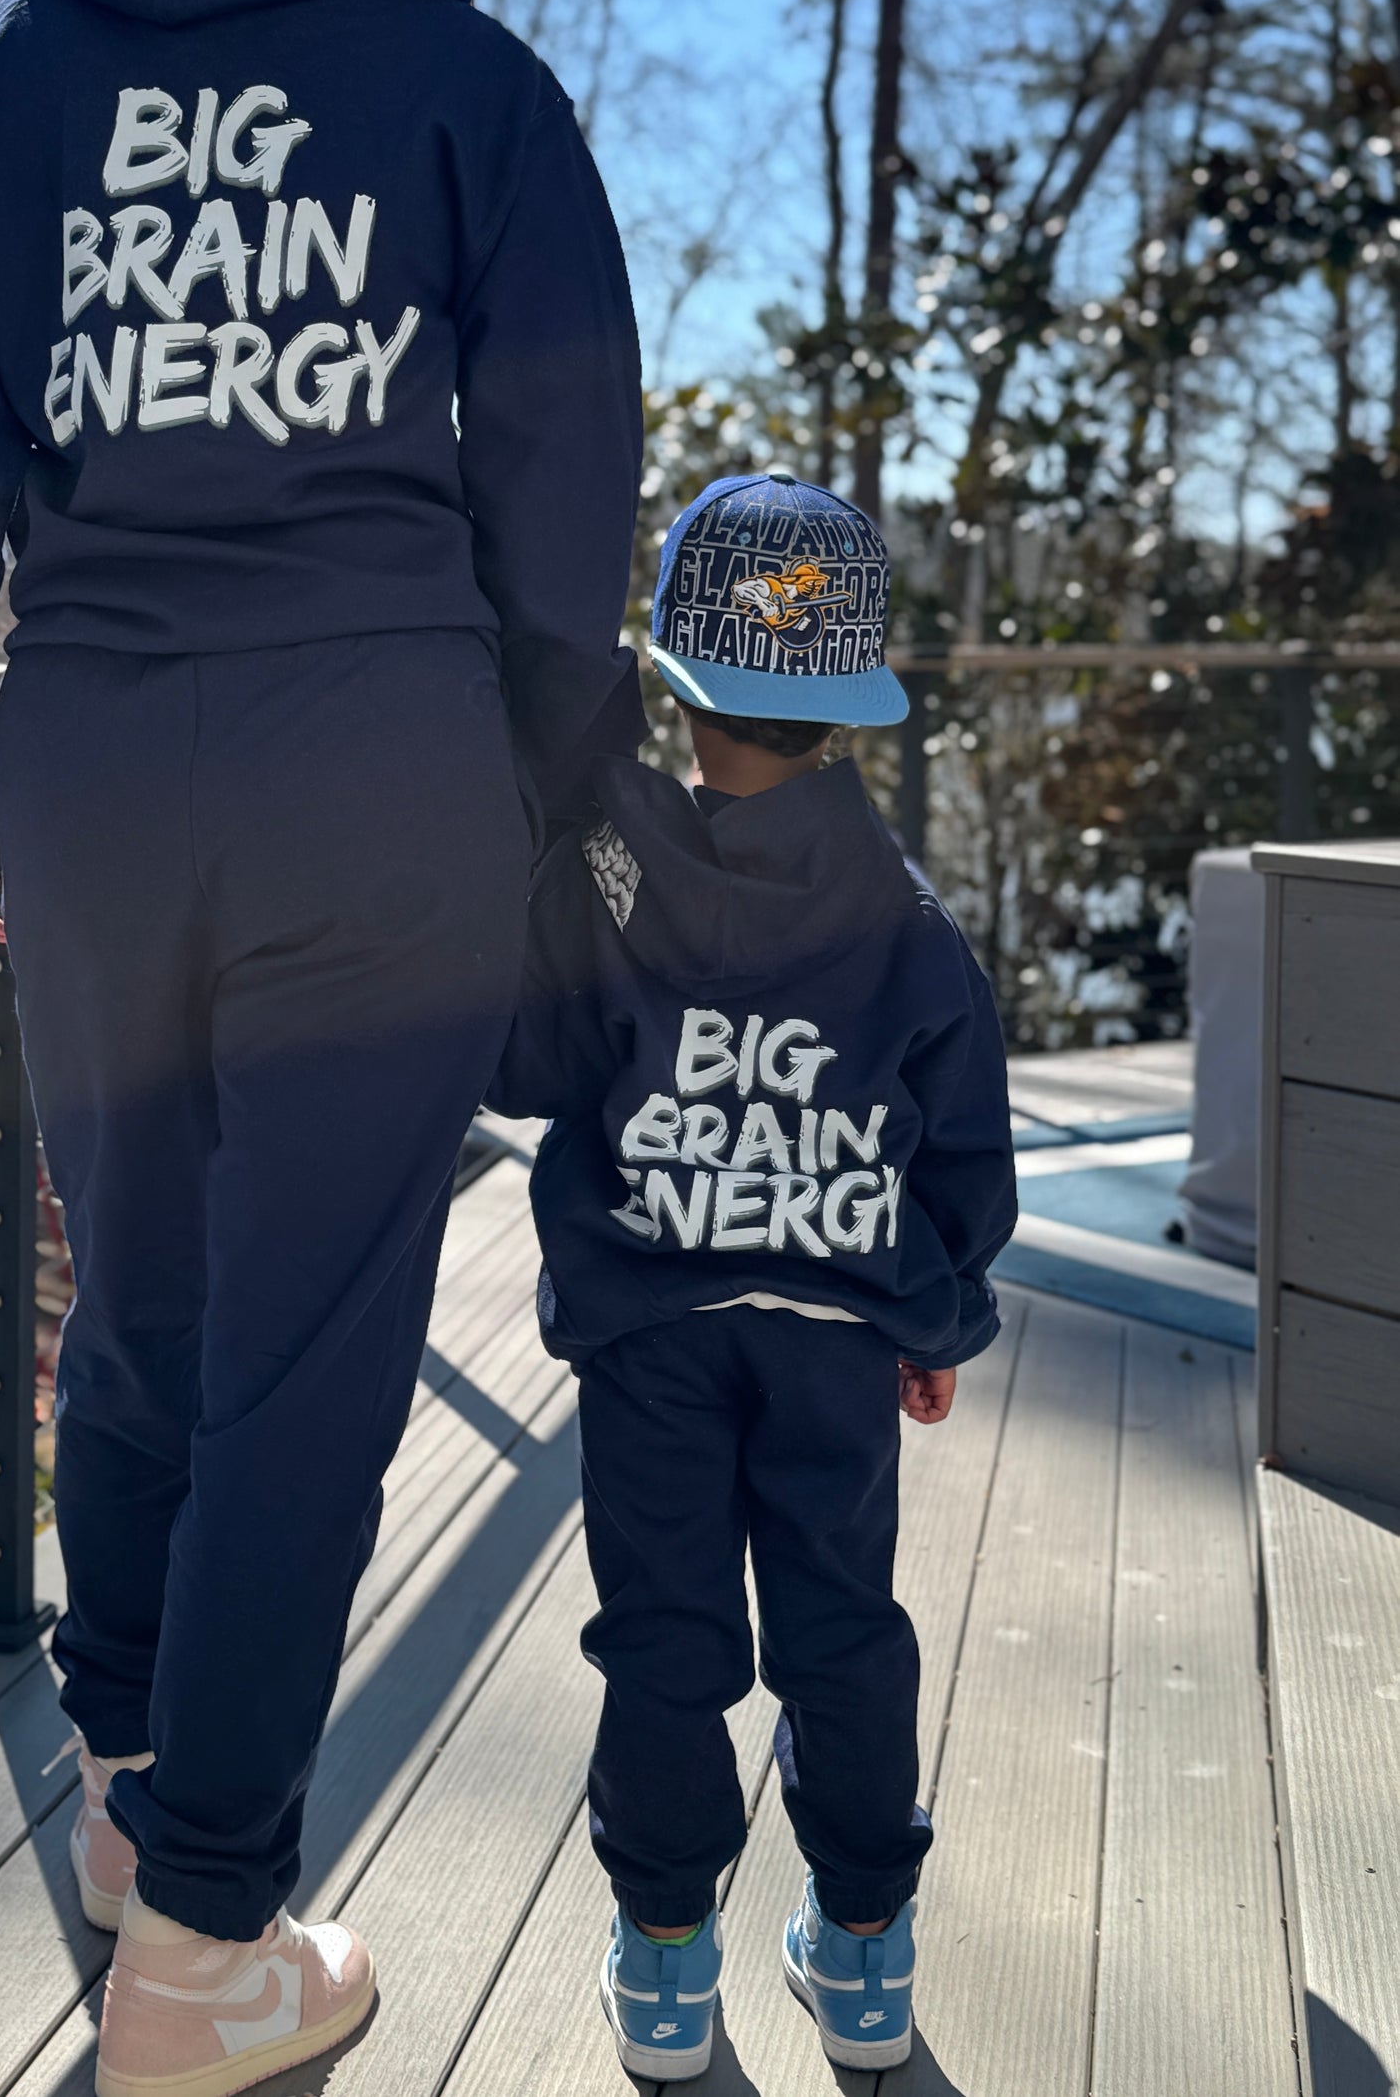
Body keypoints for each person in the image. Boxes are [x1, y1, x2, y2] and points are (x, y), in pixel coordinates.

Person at [0, 0, 645, 2097]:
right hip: (383, 767)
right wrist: (558, 800)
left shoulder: (11, 56)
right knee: (306, 1350)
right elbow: (563, 498)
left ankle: (122, 1803)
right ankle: (209, 1938)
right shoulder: (472, 87)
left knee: (144, 1303)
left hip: (89, 756)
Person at [488, 470, 1016, 2081]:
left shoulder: (609, 868)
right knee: (840, 1629)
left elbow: (527, 1065)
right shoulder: (913, 931)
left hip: (650, 1329)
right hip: (835, 1344)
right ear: (846, 700)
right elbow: (960, 1162)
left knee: (662, 1637)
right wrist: (931, 1313)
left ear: (675, 671)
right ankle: (861, 1953)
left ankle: (663, 1962)